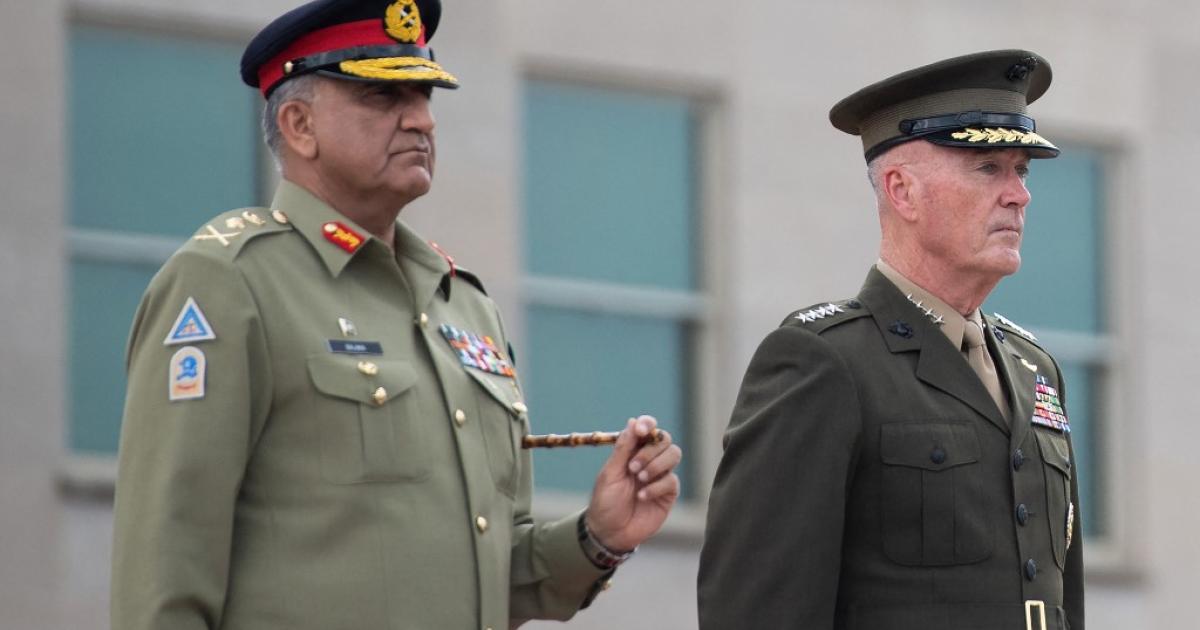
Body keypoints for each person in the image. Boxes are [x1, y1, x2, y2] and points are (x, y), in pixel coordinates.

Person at [110, 1, 682, 628]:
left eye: (423, 96)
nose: (422, 120)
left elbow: (487, 577)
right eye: (383, 96)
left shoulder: (464, 304)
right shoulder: (232, 281)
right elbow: (165, 567)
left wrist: (598, 536)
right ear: (300, 125)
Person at [698, 50, 1084, 630]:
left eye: (1021, 171)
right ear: (902, 191)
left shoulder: (1035, 370)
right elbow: (757, 611)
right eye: (988, 168)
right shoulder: (824, 360)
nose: (1018, 195)